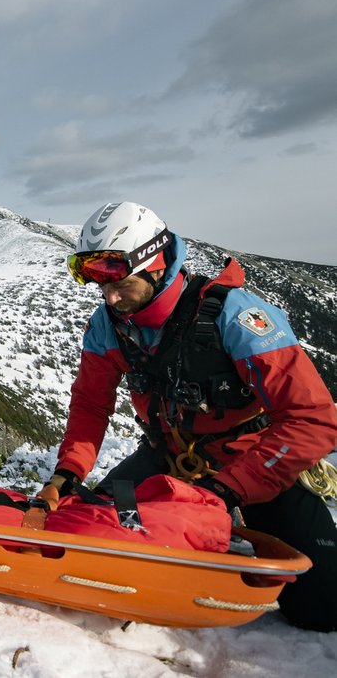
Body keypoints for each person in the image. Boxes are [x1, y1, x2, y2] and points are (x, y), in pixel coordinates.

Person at [41, 201, 337, 632]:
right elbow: (91, 404)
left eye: (119, 284)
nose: (110, 297)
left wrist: (227, 490)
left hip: (250, 463)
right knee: (91, 535)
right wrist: (66, 475)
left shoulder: (235, 317)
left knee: (321, 608)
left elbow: (311, 417)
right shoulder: (109, 324)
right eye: (101, 286)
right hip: (167, 458)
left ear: (156, 266)